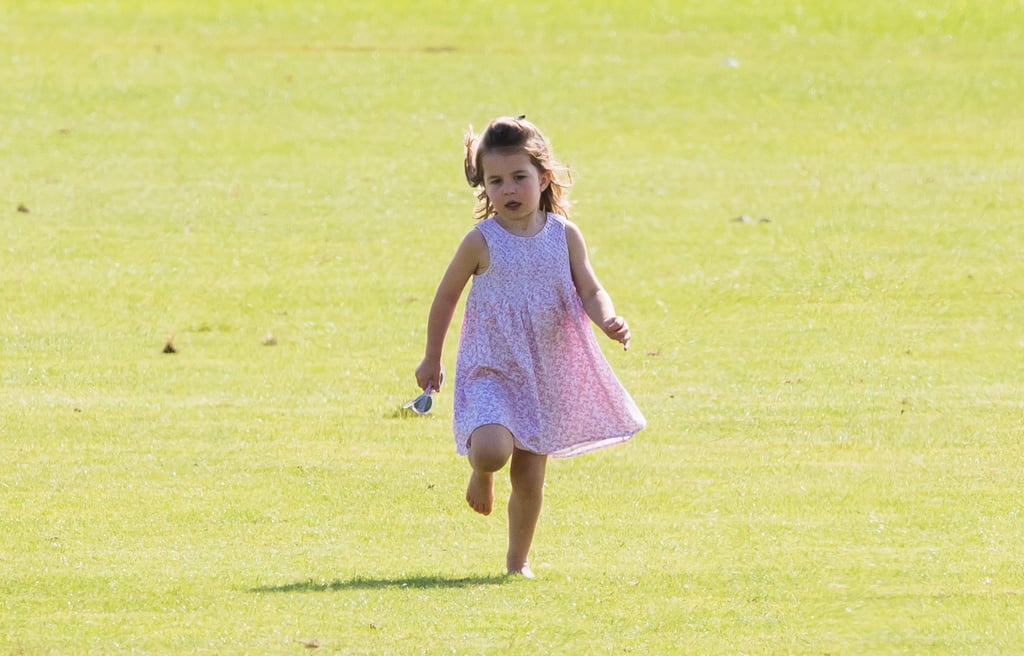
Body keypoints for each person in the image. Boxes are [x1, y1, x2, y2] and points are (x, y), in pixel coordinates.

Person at [415, 116, 645, 578]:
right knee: (493, 451)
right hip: (492, 367)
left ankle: (517, 564)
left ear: (544, 178)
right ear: (484, 187)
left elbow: (591, 290)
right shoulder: (481, 241)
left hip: (544, 372)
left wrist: (609, 320)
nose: (509, 190)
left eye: (519, 177)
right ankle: (480, 473)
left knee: (530, 477)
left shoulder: (565, 236)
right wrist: (432, 356)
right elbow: (446, 296)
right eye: (496, 181)